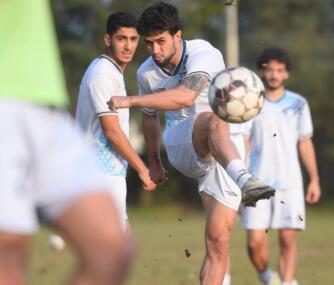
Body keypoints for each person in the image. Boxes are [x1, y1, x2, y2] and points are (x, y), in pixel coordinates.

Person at [107, 2, 275, 284]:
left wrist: (130, 100)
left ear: (177, 35)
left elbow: (186, 94)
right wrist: (155, 163)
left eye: (161, 42)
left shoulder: (205, 53)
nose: (155, 51)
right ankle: (246, 181)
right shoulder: (146, 73)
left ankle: (243, 181)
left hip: (224, 149)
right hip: (181, 141)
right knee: (213, 120)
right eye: (149, 44)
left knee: (218, 241)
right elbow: (150, 120)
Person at [0, 1, 132, 284]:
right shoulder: (102, 72)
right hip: (4, 100)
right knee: (9, 257)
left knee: (112, 251)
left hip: (45, 103)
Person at [241, 47, 322, 285]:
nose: (274, 75)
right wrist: (240, 179)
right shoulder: (248, 103)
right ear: (260, 72)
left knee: (288, 239)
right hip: (256, 183)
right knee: (254, 242)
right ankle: (267, 277)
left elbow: (305, 142)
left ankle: (286, 282)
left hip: (290, 183)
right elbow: (243, 142)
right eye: (270, 70)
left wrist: (314, 179)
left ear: (286, 74)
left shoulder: (298, 103)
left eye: (280, 70)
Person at [75, 12, 157, 234]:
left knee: (122, 247)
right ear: (108, 39)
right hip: (101, 173)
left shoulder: (108, 70)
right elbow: (111, 131)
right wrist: (142, 169)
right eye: (121, 39)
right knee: (113, 253)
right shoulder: (104, 75)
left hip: (105, 172)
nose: (128, 46)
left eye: (133, 39)